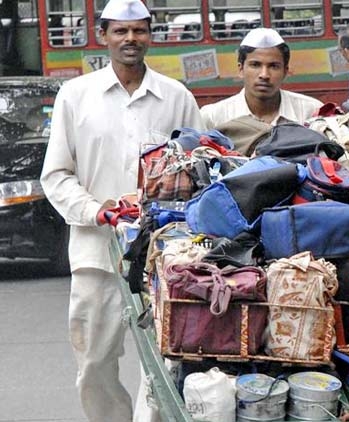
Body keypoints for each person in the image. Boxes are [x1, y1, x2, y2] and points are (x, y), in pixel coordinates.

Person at [40, 0, 204, 421]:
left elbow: (202, 171)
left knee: (169, 364)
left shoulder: (177, 98)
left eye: (139, 31)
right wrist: (99, 212)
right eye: (120, 31)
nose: (130, 39)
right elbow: (56, 175)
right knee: (94, 364)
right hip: (98, 255)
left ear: (151, 35)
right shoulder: (76, 96)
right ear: (104, 35)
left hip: (168, 259)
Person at [200, 27, 323, 154]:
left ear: (285, 71)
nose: (264, 75)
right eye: (255, 65)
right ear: (241, 69)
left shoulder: (311, 112)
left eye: (273, 66)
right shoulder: (213, 117)